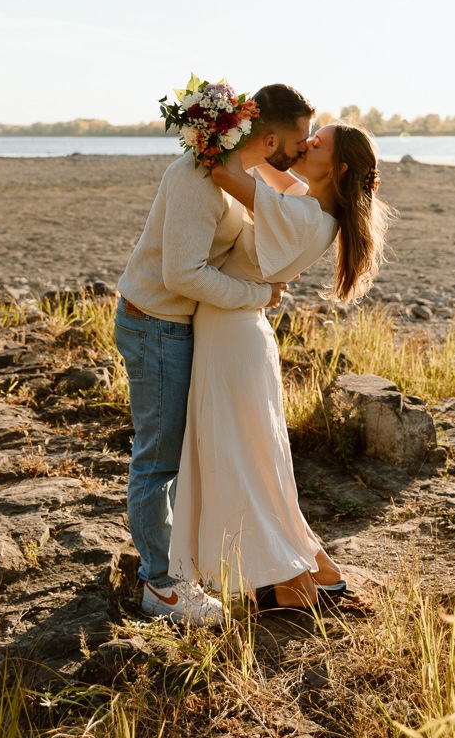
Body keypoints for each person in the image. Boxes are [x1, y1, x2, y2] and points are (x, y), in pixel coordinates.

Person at [114, 84, 315, 626]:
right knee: (158, 460)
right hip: (154, 323)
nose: (305, 147)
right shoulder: (198, 179)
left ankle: (176, 563)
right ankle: (161, 585)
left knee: (179, 456)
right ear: (269, 137)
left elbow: (300, 194)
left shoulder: (238, 172)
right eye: (300, 140)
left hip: (177, 325)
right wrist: (258, 296)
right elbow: (183, 274)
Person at [168, 122, 391, 610]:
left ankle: (283, 581)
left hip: (231, 336)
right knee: (255, 459)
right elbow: (266, 163)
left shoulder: (303, 215)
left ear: (338, 167)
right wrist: (262, 134)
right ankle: (306, 570)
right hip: (240, 332)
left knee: (236, 458)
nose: (306, 144)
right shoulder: (308, 206)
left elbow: (228, 174)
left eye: (317, 142)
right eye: (308, 137)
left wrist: (211, 124)